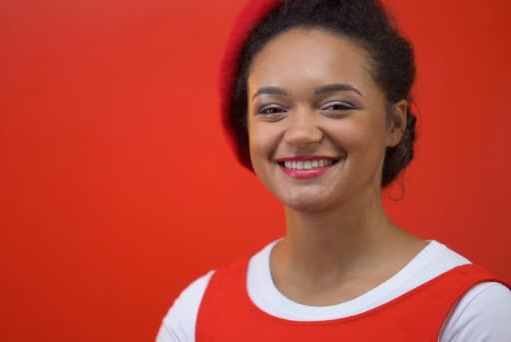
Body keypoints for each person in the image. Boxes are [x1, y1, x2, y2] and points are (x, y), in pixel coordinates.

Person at [157, 0, 511, 340]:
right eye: (272, 110)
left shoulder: (472, 313)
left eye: (336, 106)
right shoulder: (197, 313)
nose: (300, 134)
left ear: (395, 123)